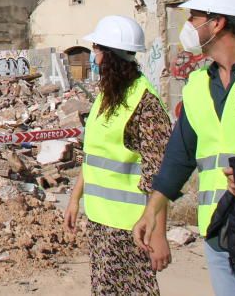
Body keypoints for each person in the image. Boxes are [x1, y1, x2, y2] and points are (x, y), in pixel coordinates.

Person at [132, 0, 235, 295]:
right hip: (216, 233)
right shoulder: (196, 86)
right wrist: (152, 210)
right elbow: (178, 156)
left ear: (217, 22)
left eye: (193, 17)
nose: (189, 25)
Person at [64, 15, 172, 295]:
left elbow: (160, 174)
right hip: (101, 222)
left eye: (97, 50)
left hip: (132, 228)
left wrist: (159, 234)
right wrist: (76, 199)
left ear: (110, 56)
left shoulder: (144, 103)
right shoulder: (106, 97)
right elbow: (94, 156)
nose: (93, 57)